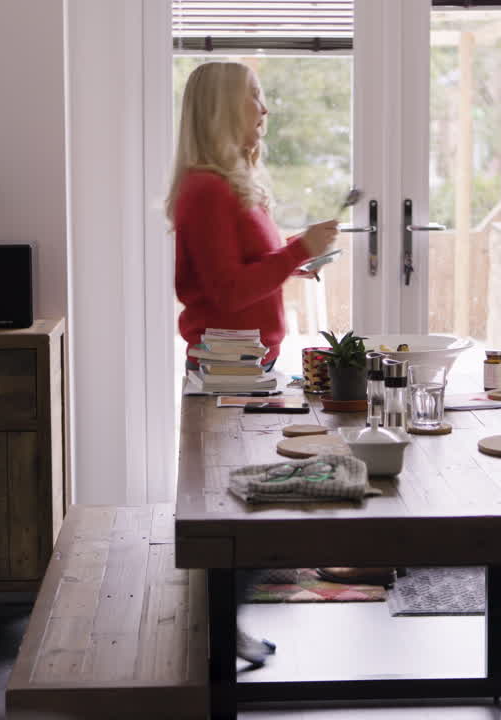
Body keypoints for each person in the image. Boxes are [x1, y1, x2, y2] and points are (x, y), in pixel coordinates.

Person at [167, 61, 338, 666]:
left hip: (245, 362)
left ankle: (219, 626)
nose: (265, 110)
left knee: (244, 504)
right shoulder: (207, 189)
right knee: (240, 509)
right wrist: (301, 248)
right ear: (220, 110)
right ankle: (217, 632)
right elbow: (228, 291)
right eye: (254, 99)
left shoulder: (228, 184)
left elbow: (242, 272)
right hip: (227, 366)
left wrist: (297, 262)